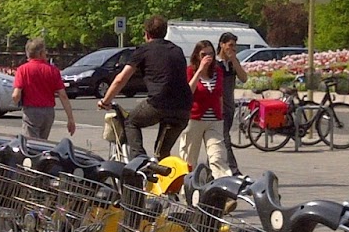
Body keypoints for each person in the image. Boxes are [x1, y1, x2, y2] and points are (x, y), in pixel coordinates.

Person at [97, 15, 192, 159]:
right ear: (165, 33)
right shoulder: (177, 50)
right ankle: (162, 173)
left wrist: (105, 101)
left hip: (159, 103)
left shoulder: (144, 50)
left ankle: (139, 160)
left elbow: (121, 79)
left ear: (146, 34)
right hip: (183, 107)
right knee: (162, 154)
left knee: (130, 122)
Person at [177, 40, 230, 176]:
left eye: (211, 54)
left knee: (218, 156)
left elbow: (219, 95)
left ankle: (223, 190)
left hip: (214, 120)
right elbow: (188, 92)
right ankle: (187, 188)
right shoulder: (189, 71)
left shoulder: (217, 71)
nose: (208, 57)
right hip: (194, 119)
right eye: (203, 54)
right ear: (196, 56)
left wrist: (222, 115)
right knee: (189, 158)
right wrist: (200, 70)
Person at [11, 36, 76, 141]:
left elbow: (16, 95)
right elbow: (63, 95)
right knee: (43, 142)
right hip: (48, 112)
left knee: (31, 145)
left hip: (31, 111)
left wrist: (16, 101)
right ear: (40, 53)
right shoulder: (53, 70)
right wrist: (70, 118)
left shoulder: (23, 70)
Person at [214, 32, 248, 172]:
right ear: (222, 45)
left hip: (229, 106)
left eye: (235, 46)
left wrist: (234, 60)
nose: (233, 49)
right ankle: (233, 169)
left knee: (222, 139)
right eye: (230, 45)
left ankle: (217, 167)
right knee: (225, 139)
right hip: (218, 107)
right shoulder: (215, 63)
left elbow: (244, 78)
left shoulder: (233, 63)